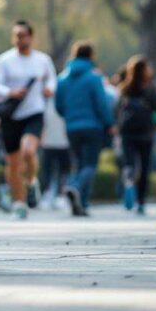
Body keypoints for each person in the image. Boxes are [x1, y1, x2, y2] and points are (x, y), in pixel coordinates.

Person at [0, 21, 57, 219]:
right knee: (13, 162)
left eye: (23, 35)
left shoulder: (42, 60)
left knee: (28, 151)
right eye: (16, 35)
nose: (20, 39)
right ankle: (19, 203)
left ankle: (32, 181)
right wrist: (10, 91)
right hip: (11, 115)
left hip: (34, 112)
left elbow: (51, 79)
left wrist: (50, 88)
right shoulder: (5, 60)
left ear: (31, 37)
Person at [55, 41, 113, 217]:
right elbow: (102, 104)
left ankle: (81, 204)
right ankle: (75, 187)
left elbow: (58, 105)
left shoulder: (62, 78)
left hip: (72, 127)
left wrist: (69, 117)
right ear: (91, 56)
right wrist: (109, 122)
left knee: (78, 164)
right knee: (89, 165)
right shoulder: (94, 77)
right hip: (92, 126)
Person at [115, 55, 156, 215]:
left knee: (130, 163)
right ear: (144, 71)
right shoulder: (150, 89)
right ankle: (141, 202)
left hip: (127, 133)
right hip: (146, 133)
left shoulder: (124, 88)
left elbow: (117, 110)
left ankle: (128, 178)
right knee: (144, 167)